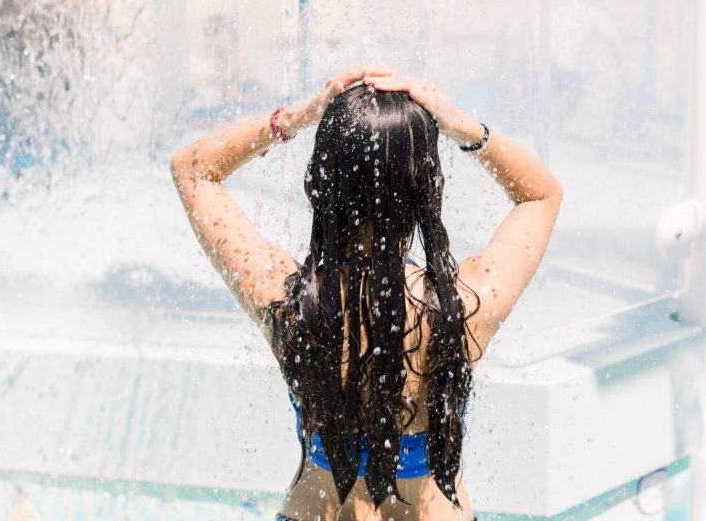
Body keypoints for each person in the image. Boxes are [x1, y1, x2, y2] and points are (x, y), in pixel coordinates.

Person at [170, 66, 563, 521]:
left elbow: (193, 171)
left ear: (322, 182)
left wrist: (296, 118)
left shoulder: (290, 301)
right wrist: (462, 128)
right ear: (424, 187)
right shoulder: (464, 304)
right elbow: (542, 195)